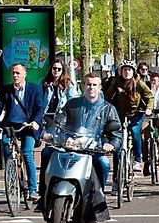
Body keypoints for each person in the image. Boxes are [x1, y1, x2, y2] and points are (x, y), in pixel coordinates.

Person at [37, 72, 122, 204]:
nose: (91, 88)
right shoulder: (72, 104)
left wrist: (111, 144)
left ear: (100, 88)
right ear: (83, 86)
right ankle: (44, 194)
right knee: (47, 152)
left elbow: (117, 134)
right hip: (70, 145)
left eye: (94, 85)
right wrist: (51, 134)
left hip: (93, 149)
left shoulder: (108, 109)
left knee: (104, 163)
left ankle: (98, 197)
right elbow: (59, 122)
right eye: (88, 84)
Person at [0, 63, 44, 200]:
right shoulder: (6, 89)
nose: (15, 75)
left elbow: (40, 108)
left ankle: (32, 190)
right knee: (6, 147)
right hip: (10, 126)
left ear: (24, 74)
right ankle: (13, 175)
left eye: (18, 73)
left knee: (27, 153)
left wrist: (36, 122)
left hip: (28, 126)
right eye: (13, 73)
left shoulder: (34, 89)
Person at [104, 60, 152, 172]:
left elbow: (149, 97)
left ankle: (137, 159)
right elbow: (108, 98)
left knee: (134, 131)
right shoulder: (116, 83)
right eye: (125, 70)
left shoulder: (139, 83)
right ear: (121, 71)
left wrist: (149, 109)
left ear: (133, 71)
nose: (127, 72)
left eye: (129, 70)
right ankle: (117, 176)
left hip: (137, 113)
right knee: (117, 138)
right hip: (120, 114)